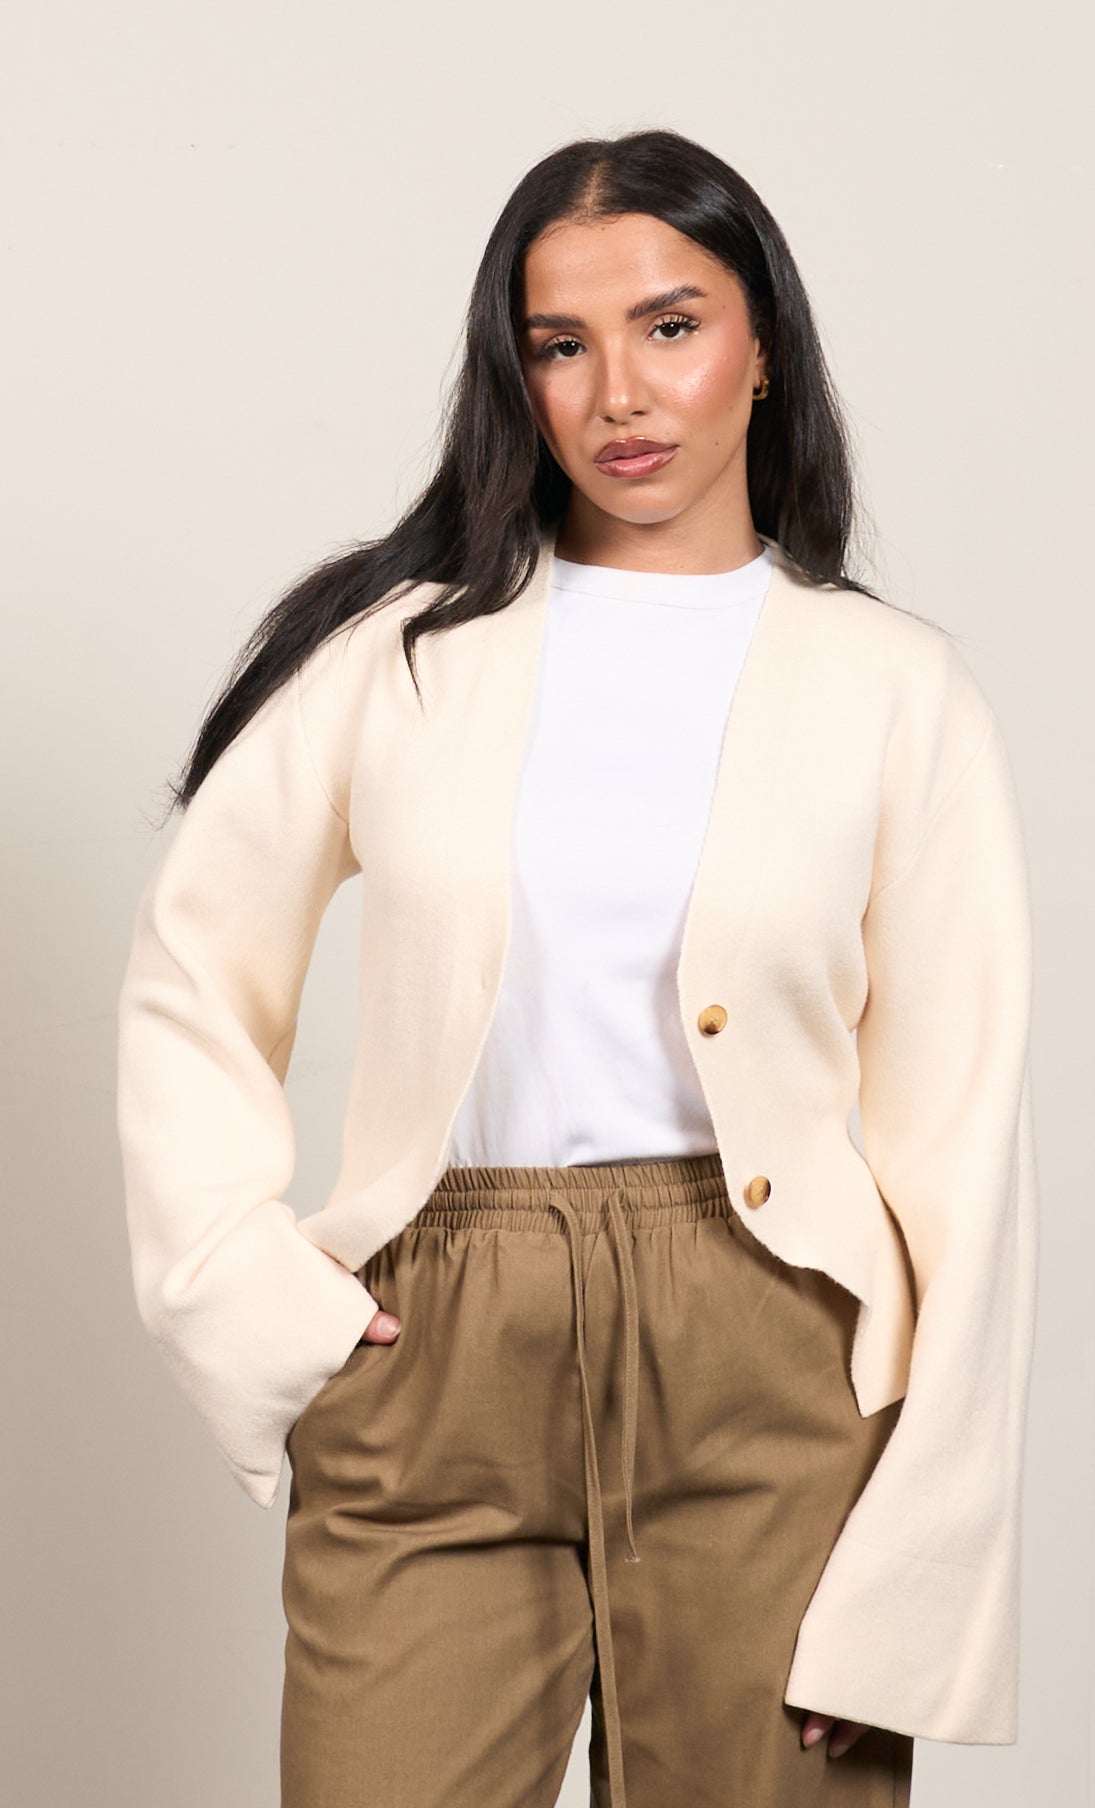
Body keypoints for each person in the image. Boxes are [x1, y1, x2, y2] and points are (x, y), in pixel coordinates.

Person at [115, 127, 1039, 1808]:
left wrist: (923, 1566)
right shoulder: (395, 658)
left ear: (763, 349)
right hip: (438, 1343)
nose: (619, 391)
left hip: (770, 1360)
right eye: (561, 345)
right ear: (517, 377)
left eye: (670, 326)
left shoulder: (893, 691)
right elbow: (196, 971)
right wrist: (244, 1294)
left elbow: (961, 1143)